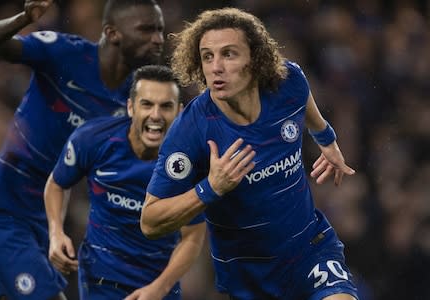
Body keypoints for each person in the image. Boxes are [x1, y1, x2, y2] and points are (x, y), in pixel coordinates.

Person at [140, 7, 360, 300]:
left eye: (228, 54)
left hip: (310, 250)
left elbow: (304, 103)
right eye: (207, 56)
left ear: (255, 60)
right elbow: (150, 222)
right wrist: (210, 188)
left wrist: (326, 139)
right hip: (249, 278)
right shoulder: (191, 131)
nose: (216, 67)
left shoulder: (288, 81)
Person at [0, 0, 166, 299]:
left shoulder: (134, 102)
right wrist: (22, 19)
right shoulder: (64, 53)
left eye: (160, 30)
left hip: (48, 227)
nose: (158, 39)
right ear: (113, 33)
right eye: (147, 29)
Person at [44, 65, 206, 300]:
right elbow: (57, 184)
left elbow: (193, 236)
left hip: (158, 287)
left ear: (180, 112)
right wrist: (56, 233)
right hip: (100, 280)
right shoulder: (93, 140)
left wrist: (159, 288)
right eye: (147, 104)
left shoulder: (187, 164)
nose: (156, 115)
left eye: (166, 106)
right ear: (131, 107)